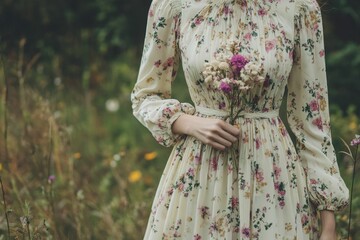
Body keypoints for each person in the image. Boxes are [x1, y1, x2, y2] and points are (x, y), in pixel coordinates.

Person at [131, 0, 349, 239]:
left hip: (271, 177)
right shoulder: (174, 5)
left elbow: (313, 119)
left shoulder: (298, 8)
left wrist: (328, 216)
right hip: (199, 176)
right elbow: (146, 96)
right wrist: (188, 122)